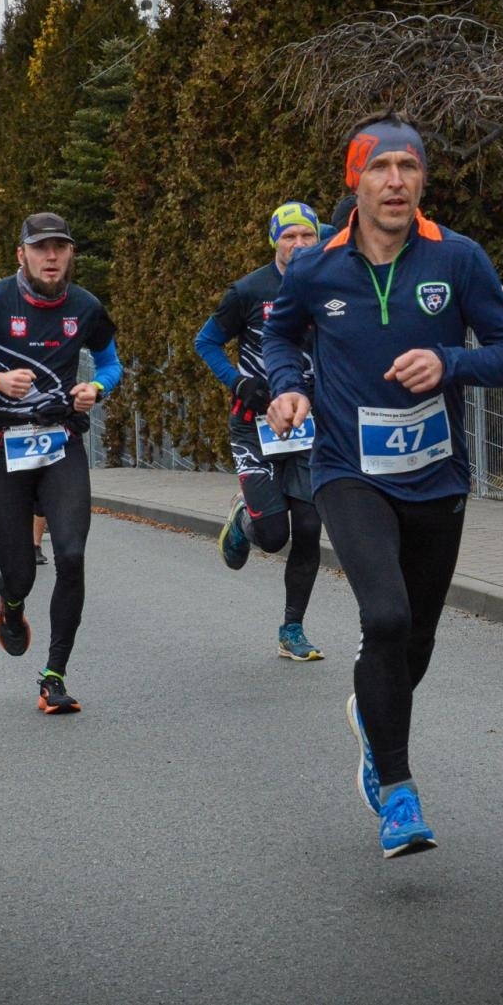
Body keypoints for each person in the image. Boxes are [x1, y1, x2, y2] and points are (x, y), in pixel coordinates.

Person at [264, 114, 503, 858]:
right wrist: (287, 388)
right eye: (379, 167)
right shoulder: (316, 267)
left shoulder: (459, 259)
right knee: (383, 617)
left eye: (407, 168)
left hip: (436, 475)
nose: (395, 180)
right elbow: (281, 335)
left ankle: (373, 712)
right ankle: (398, 793)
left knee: (414, 639)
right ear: (354, 180)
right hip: (349, 470)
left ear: (422, 180)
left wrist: (450, 363)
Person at [0, 212, 122, 714]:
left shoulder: (85, 307)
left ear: (71, 253)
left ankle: (54, 676)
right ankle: (10, 603)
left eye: (60, 247)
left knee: (72, 556)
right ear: (22, 255)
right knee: (21, 574)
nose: (51, 257)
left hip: (59, 442)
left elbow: (110, 363)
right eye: (41, 248)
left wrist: (95, 388)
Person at [195, 200, 326, 662]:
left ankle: (292, 629)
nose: (298, 245)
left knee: (308, 528)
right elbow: (206, 341)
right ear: (275, 241)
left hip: (309, 427)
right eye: (288, 237)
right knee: (273, 535)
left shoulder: (331, 285)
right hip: (255, 426)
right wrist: (240, 382)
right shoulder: (250, 290)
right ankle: (243, 518)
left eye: (306, 236)